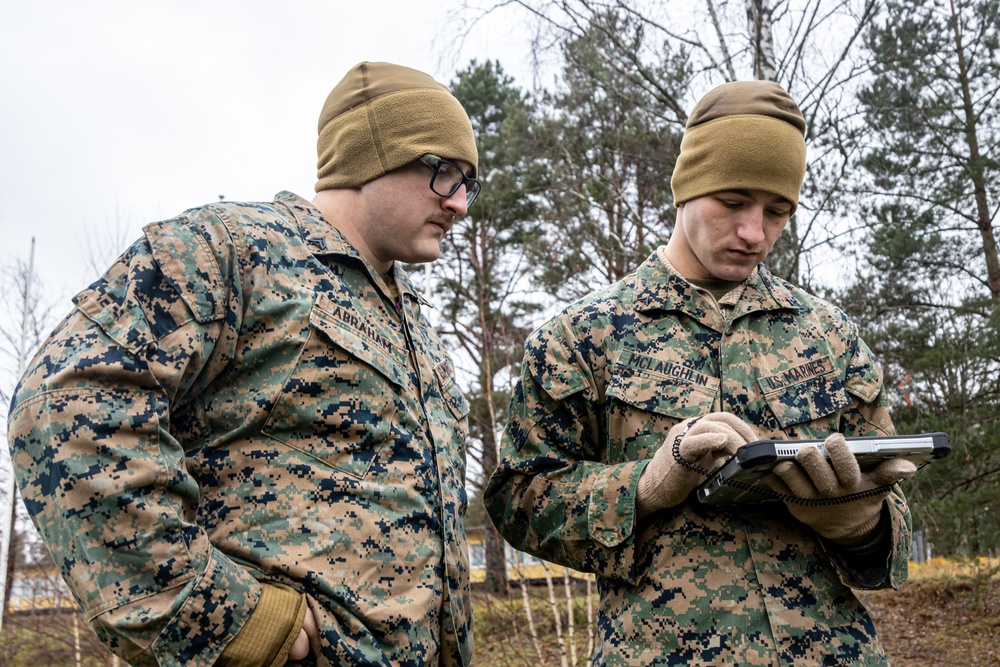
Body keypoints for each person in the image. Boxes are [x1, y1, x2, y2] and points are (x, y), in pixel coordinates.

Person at [7, 61, 481, 667]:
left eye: (471, 183)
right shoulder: (233, 252)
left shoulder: (416, 326)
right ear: (372, 153)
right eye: (445, 174)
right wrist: (216, 618)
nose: (461, 204)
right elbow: (63, 405)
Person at [484, 80, 917, 666]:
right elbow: (519, 499)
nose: (754, 233)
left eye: (777, 211)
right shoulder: (582, 335)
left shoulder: (829, 335)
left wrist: (861, 523)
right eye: (734, 203)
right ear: (686, 189)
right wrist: (642, 488)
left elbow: (887, 512)